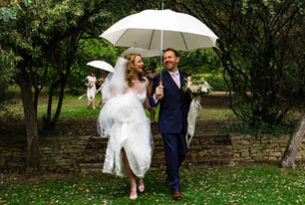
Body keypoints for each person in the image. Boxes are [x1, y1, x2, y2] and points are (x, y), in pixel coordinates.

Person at [97, 53, 153, 200]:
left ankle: (140, 175)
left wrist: (156, 99)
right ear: (131, 65)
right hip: (123, 123)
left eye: (142, 61)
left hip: (139, 123)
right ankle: (133, 184)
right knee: (126, 153)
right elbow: (111, 104)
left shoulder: (146, 81)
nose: (142, 64)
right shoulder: (122, 83)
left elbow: (147, 104)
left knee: (140, 152)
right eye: (139, 61)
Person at [149, 48, 192, 201]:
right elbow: (152, 102)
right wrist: (156, 95)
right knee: (172, 155)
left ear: (177, 59)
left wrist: (199, 95)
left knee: (183, 151)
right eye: (165, 58)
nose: (167, 60)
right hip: (168, 123)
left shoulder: (188, 78)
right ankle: (175, 187)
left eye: (170, 57)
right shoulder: (159, 79)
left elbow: (192, 99)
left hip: (184, 122)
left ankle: (170, 174)